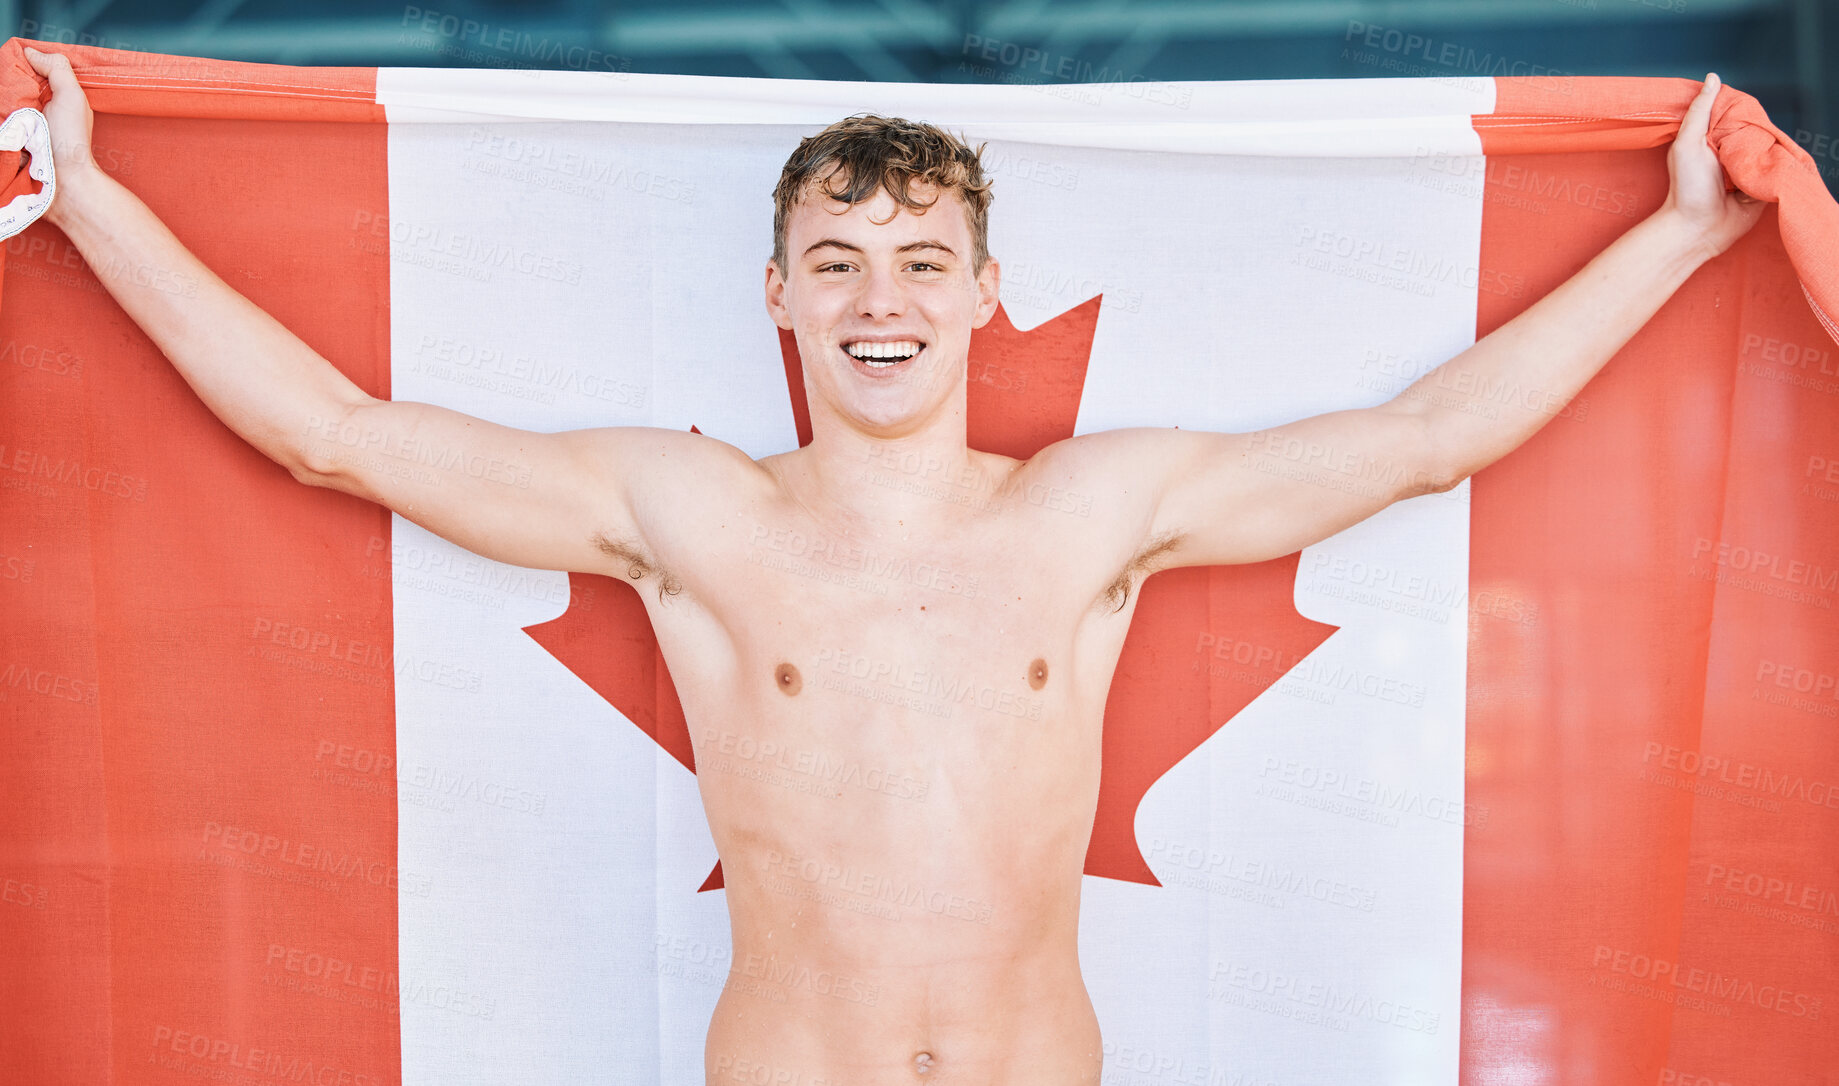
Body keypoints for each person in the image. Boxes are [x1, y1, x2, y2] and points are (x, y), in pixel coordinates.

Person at [22, 44, 1761, 1085]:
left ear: (985, 294)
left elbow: (1425, 440)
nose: (881, 301)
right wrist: (86, 193)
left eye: (922, 262)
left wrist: (1682, 232)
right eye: (837, 261)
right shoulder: (694, 518)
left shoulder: (1091, 512)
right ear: (776, 296)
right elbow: (335, 431)